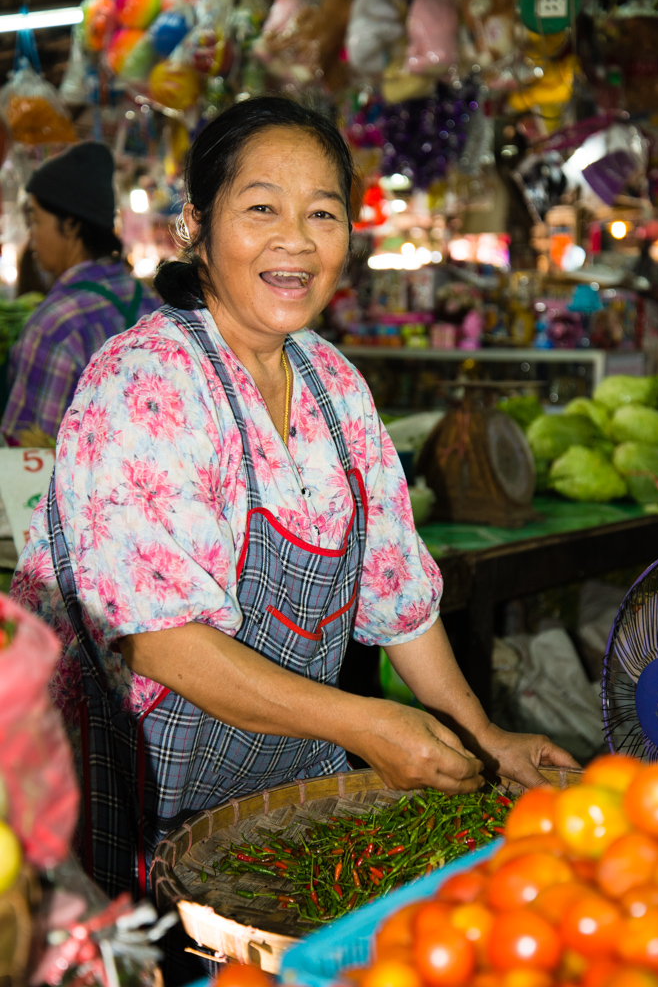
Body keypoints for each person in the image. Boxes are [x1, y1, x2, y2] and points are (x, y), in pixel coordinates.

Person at [11, 97, 577, 910]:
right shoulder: (146, 380)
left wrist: (481, 732)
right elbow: (162, 644)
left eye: (323, 213)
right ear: (195, 228)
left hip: (269, 804)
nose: (296, 240)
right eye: (262, 208)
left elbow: (397, 594)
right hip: (121, 798)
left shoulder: (332, 381)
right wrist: (363, 723)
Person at [1, 141, 160, 446]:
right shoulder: (145, 298)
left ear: (71, 225)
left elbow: (22, 456)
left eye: (36, 219)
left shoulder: (55, 326)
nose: (32, 235)